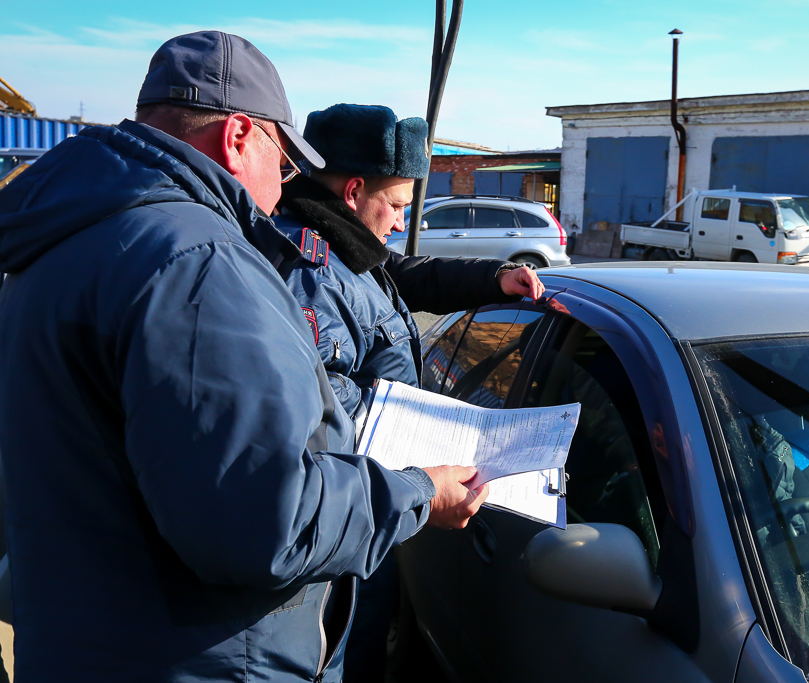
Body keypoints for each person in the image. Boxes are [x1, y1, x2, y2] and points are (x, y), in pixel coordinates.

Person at [0, 31, 486, 683]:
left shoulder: (64, 242)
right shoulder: (198, 264)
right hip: (199, 659)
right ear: (237, 137)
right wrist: (418, 492)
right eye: (281, 162)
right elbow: (262, 521)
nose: (281, 190)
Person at [273, 103, 544, 682]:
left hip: (374, 504)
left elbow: (400, 274)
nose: (400, 220)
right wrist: (422, 473)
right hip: (350, 518)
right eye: (396, 205)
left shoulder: (342, 246)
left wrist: (493, 279)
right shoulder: (308, 273)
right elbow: (320, 412)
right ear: (352, 192)